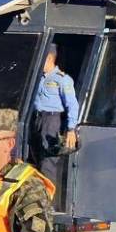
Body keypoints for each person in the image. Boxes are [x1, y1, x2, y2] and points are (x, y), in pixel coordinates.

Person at [29, 44, 79, 185]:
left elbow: (72, 105)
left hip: (51, 120)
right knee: (34, 158)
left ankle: (47, 199)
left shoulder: (62, 79)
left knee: (48, 161)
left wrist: (71, 129)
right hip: (36, 119)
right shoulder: (38, 77)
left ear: (49, 58)